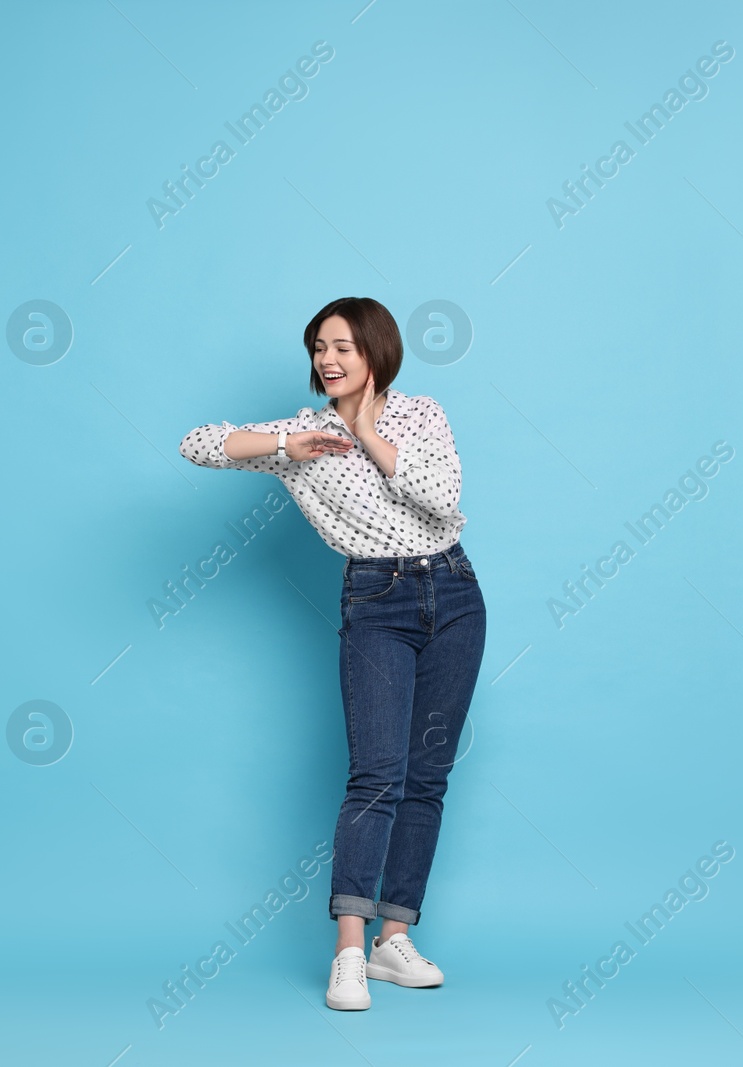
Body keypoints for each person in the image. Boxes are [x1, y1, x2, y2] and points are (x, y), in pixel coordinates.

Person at [177, 296, 486, 1011]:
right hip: (377, 602)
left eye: (342, 345)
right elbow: (198, 442)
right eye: (319, 347)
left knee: (427, 775)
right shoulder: (303, 432)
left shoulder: (422, 414)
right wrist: (289, 449)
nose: (328, 359)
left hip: (455, 592)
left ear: (376, 349)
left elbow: (442, 499)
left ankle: (393, 937)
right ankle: (349, 950)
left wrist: (371, 432)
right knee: (377, 773)